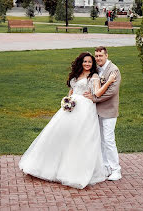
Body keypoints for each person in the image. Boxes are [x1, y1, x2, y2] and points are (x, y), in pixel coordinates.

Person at [19, 52, 115, 189]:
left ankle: (74, 171)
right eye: (85, 61)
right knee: (60, 134)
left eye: (90, 62)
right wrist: (68, 99)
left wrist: (110, 81)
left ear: (92, 64)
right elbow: (72, 89)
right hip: (70, 108)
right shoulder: (76, 76)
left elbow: (98, 93)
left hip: (85, 110)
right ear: (80, 62)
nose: (87, 64)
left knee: (80, 138)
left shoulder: (93, 76)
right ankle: (46, 166)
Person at [84, 46, 122, 181]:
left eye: (101, 56)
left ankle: (116, 169)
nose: (98, 58)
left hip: (109, 110)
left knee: (109, 140)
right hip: (96, 111)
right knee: (100, 140)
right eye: (97, 56)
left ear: (106, 55)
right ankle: (106, 167)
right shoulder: (96, 69)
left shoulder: (114, 70)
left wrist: (94, 98)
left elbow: (111, 92)